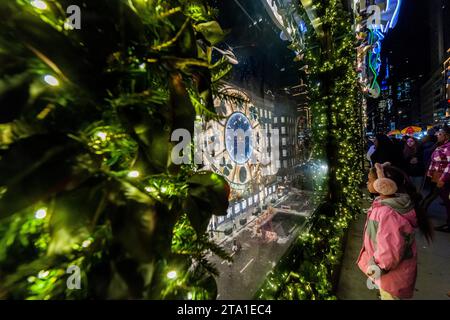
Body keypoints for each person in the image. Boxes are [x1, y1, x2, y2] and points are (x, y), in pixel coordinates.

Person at [358, 163, 433, 300]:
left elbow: (390, 250)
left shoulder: (387, 213)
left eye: (369, 180)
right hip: (391, 274)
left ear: (382, 184)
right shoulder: (386, 205)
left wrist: (376, 268)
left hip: (391, 276)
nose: (367, 182)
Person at [422, 127, 450, 233]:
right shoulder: (441, 145)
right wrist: (430, 174)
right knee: (443, 198)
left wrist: (443, 179)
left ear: (446, 135)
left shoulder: (448, 146)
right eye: (437, 134)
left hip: (444, 177)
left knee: (447, 201)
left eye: (440, 134)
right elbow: (436, 162)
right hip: (437, 176)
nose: (437, 136)